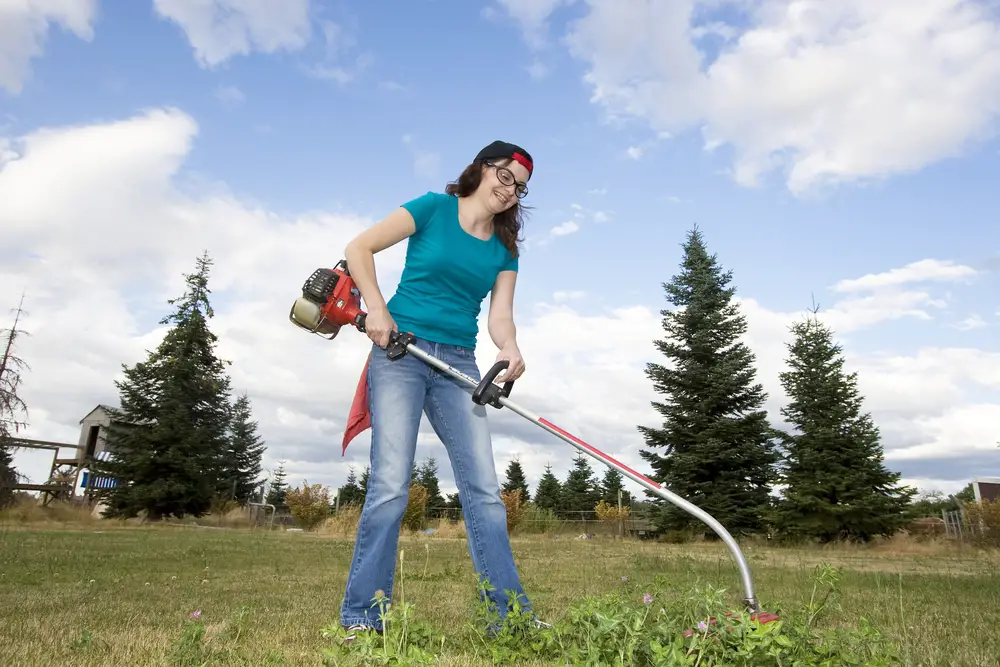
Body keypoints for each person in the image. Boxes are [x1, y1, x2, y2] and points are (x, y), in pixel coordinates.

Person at [337, 140, 542, 638]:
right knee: (390, 485)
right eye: (504, 176)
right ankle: (364, 617)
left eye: (520, 187)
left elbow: (500, 317)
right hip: (400, 353)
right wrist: (378, 310)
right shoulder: (432, 208)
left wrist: (509, 349)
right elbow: (357, 248)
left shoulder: (505, 250)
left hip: (458, 364)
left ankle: (509, 616)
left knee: (486, 492)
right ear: (481, 168)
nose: (509, 190)